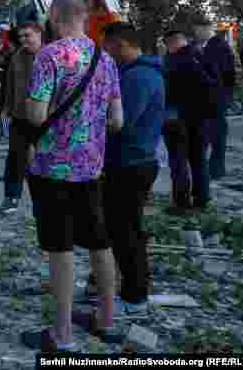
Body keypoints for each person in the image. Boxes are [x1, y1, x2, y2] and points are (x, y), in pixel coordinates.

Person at [20, 0, 124, 352]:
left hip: (53, 170)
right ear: (84, 16)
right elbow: (117, 119)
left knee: (61, 249)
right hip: (91, 168)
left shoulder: (50, 55)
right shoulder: (105, 59)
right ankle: (107, 321)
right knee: (100, 243)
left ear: (53, 16)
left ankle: (62, 333)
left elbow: (35, 115)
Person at [101, 22, 165, 316]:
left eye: (108, 47)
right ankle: (121, 287)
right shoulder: (134, 73)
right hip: (129, 161)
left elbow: (121, 122)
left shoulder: (139, 76)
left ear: (121, 44)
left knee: (126, 232)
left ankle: (135, 294)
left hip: (131, 164)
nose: (106, 53)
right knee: (121, 229)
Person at [163, 28, 215, 213]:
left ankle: (181, 202)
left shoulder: (174, 61)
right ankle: (202, 199)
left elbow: (167, 91)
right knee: (199, 160)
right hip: (201, 119)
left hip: (178, 118)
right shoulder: (202, 55)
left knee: (178, 161)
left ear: (171, 43)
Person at [0, 21, 42, 215]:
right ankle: (11, 198)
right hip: (19, 116)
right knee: (15, 157)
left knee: (43, 160)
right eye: (21, 36)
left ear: (39, 34)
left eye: (27, 35)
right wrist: (5, 106)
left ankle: (45, 200)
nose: (23, 40)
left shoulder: (50, 55)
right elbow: (9, 82)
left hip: (43, 118)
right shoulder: (17, 56)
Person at [194, 19, 235, 180]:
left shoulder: (216, 47)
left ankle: (215, 170)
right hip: (217, 98)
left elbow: (219, 75)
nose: (196, 34)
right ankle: (213, 169)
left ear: (206, 29)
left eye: (197, 30)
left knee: (215, 136)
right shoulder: (212, 46)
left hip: (214, 99)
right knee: (214, 136)